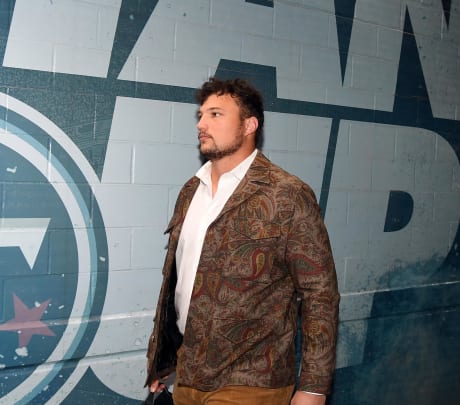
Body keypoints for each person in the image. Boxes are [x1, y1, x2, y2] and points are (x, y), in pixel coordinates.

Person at [145, 77, 340, 405]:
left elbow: (320, 295)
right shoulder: (191, 191)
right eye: (201, 116)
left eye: (216, 115)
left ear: (249, 125)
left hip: (252, 382)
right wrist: (164, 358)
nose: (202, 124)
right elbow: (179, 283)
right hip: (189, 378)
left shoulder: (287, 194)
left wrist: (314, 387)